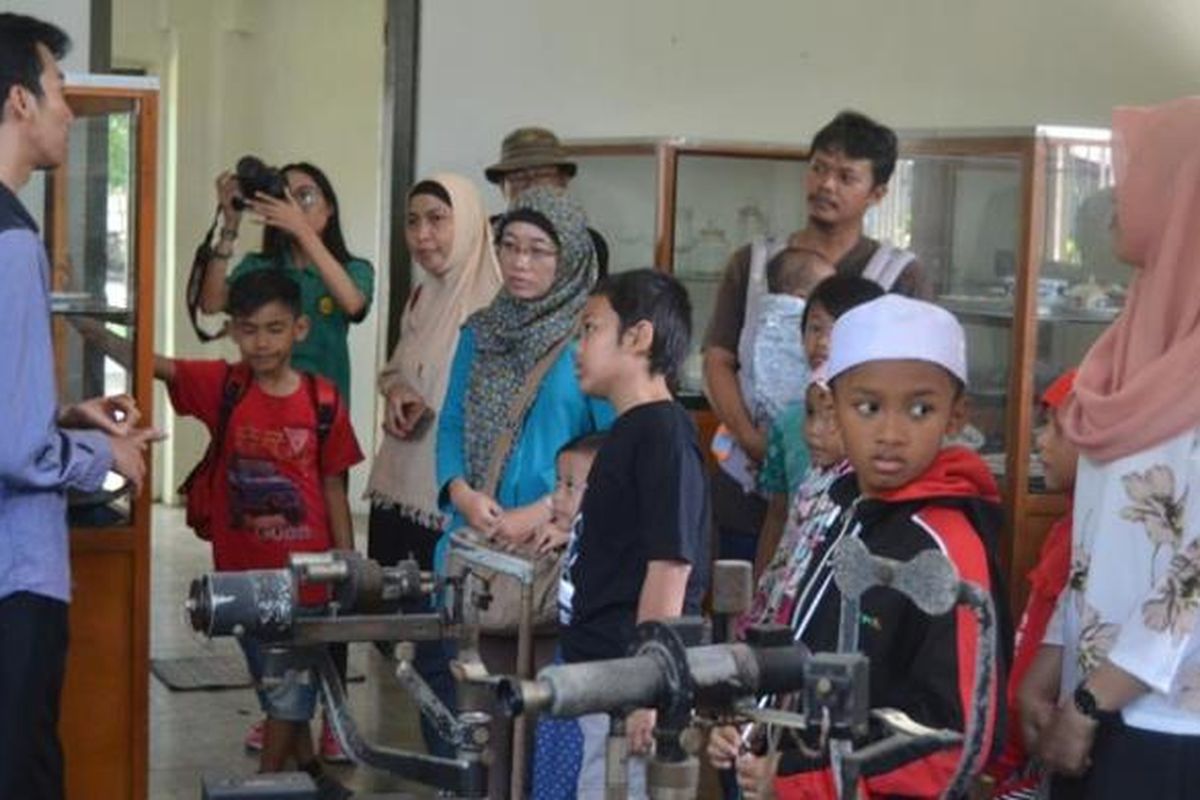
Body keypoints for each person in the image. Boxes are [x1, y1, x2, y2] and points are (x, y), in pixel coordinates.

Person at [0, 14, 157, 800]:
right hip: (13, 574)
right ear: (20, 103)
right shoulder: (10, 238)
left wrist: (66, 413)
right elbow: (13, 451)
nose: (67, 109)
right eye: (59, 89)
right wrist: (110, 457)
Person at [764, 295, 1007, 798]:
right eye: (868, 407)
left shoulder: (946, 545)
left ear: (957, 415)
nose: (891, 434)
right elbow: (812, 648)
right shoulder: (851, 512)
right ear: (832, 409)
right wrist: (757, 731)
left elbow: (955, 741)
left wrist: (806, 784)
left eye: (920, 409)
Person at [1032, 98, 1200, 800]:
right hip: (1085, 698)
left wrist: (1096, 698)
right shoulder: (1130, 345)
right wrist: (1052, 659)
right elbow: (1100, 540)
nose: (1119, 193)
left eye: (1142, 170)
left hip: (1169, 721)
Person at [141, 269, 359, 798]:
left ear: (300, 330)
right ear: (234, 331)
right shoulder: (226, 385)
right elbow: (152, 363)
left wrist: (347, 564)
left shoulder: (323, 400)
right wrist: (81, 321)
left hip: (305, 580)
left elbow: (334, 488)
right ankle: (310, 774)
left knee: (288, 687)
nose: (262, 342)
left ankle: (265, 784)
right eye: (249, 329)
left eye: (275, 328)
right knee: (277, 685)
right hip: (239, 577)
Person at [436, 186, 611, 796]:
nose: (520, 263)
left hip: (544, 551)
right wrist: (460, 491)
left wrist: (544, 511)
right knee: (477, 721)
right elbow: (453, 421)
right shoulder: (480, 331)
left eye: (539, 251)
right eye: (509, 246)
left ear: (569, 259)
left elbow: (610, 448)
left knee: (537, 719)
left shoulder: (589, 340)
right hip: (476, 548)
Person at [704, 110, 926, 568]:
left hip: (850, 490)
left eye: (847, 176)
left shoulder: (900, 275)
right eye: (819, 168)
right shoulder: (755, 261)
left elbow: (914, 384)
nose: (826, 184)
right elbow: (718, 359)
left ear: (878, 192)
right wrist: (752, 440)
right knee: (743, 603)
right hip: (747, 483)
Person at [531, 268, 711, 799]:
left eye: (590, 329)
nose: (577, 348)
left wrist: (647, 686)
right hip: (602, 675)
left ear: (638, 337)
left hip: (627, 682)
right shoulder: (628, 431)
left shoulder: (664, 433)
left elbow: (670, 565)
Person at [363, 174, 500, 756]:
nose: (422, 235)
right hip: (401, 493)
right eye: (413, 221)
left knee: (444, 650)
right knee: (405, 645)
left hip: (447, 504)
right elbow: (400, 368)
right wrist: (397, 394)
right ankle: (444, 765)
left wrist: (433, 409)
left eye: (437, 220)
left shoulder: (490, 303)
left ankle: (459, 771)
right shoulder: (425, 296)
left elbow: (485, 412)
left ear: (467, 223)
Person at [708, 370, 854, 796]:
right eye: (811, 414)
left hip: (812, 657)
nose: (814, 430)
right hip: (779, 637)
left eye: (832, 417)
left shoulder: (853, 497)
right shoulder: (814, 482)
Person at [200, 159, 374, 403]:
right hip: (262, 405)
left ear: (329, 207)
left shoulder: (353, 269)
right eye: (285, 198)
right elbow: (211, 304)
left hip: (324, 411)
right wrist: (230, 225)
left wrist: (302, 230)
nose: (294, 207)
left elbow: (354, 305)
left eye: (305, 197)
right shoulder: (260, 266)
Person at [984, 370, 1078, 798]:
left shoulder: (1080, 537)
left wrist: (1001, 754)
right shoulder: (1066, 528)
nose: (1040, 441)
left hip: (1033, 749)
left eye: (1057, 428)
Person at [754, 275, 885, 576]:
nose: (823, 342)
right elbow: (777, 516)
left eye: (840, 330)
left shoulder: (881, 433)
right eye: (815, 328)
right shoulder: (789, 421)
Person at [484, 125, 610, 277]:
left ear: (563, 181)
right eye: (518, 177)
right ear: (502, 187)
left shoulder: (589, 243)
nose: (531, 185)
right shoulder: (484, 237)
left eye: (542, 175)